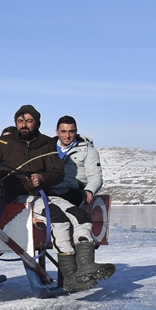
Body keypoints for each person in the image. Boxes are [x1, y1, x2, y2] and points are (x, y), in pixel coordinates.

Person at [47, 115, 114, 291]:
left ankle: (85, 265)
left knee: (73, 211)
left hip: (73, 191)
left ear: (76, 132)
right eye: (63, 132)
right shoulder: (47, 148)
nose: (67, 136)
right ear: (57, 132)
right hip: (49, 192)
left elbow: (95, 176)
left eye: (71, 132)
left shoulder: (88, 151)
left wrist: (89, 190)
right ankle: (75, 273)